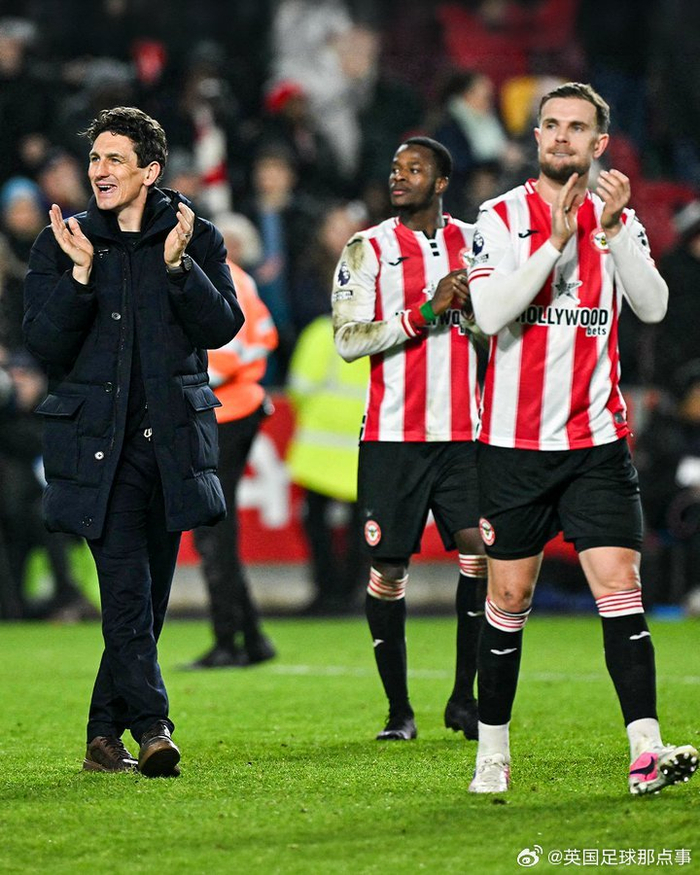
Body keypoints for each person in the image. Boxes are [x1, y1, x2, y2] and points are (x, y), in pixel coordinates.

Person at [466, 82, 698, 795]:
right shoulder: (500, 217)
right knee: (509, 596)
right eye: (551, 125)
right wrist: (556, 245)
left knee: (620, 585)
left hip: (596, 441)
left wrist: (615, 231)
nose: (561, 136)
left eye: (577, 127)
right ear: (537, 137)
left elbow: (653, 306)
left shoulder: (618, 221)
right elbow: (489, 312)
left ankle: (646, 751)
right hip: (513, 446)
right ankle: (493, 754)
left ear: (599, 144)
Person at [23, 106, 243, 777]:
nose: (99, 169)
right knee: (125, 591)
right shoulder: (63, 241)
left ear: (150, 171)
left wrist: (180, 269)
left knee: (146, 603)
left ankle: (101, 734)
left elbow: (223, 326)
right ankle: (152, 727)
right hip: (98, 448)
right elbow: (43, 341)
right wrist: (80, 277)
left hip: (170, 447)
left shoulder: (193, 235)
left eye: (114, 158)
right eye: (95, 157)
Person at [332, 136, 486, 742]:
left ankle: (464, 698)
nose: (399, 177)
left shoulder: (478, 241)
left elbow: (500, 328)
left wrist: (476, 314)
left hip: (465, 435)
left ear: (441, 182)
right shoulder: (366, 247)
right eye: (395, 168)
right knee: (389, 569)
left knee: (483, 554)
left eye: (414, 169)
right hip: (393, 438)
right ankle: (399, 711)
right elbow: (348, 340)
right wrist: (425, 312)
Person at [187, 214, 278, 668]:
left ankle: (230, 640)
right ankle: (251, 638)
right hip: (238, 408)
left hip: (224, 412)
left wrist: (178, 384)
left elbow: (227, 355)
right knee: (215, 530)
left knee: (212, 531)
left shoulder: (219, 280)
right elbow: (264, 339)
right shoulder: (240, 279)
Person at [287, 312, 369, 615]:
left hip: (321, 450)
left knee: (316, 523)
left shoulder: (322, 332)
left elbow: (299, 387)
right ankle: (352, 592)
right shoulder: (381, 334)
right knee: (362, 526)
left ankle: (326, 591)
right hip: (364, 448)